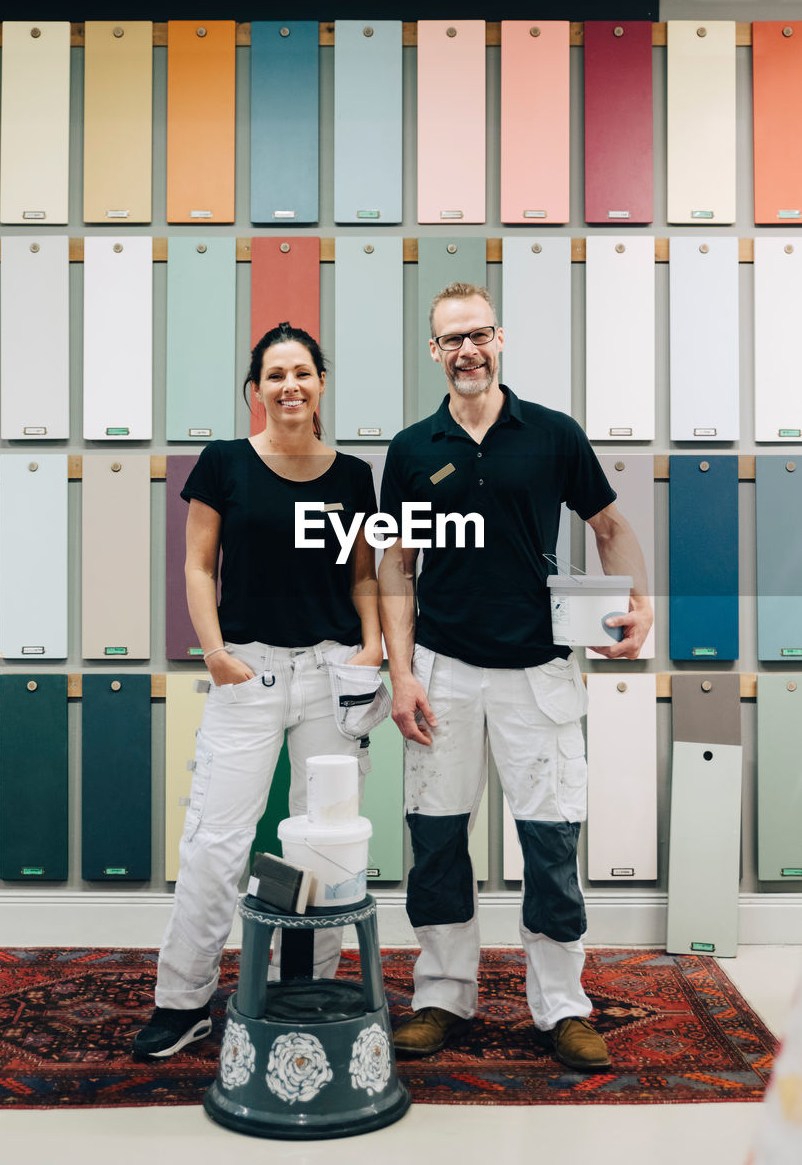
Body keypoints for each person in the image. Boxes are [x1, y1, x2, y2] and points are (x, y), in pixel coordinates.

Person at [378, 282, 653, 1072]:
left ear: (499, 340)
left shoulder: (553, 435)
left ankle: (562, 1007)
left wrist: (639, 609)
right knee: (435, 842)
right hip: (443, 670)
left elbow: (609, 525)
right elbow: (395, 563)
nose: (466, 350)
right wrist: (402, 675)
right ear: (433, 353)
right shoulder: (412, 448)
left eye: (479, 335)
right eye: (450, 340)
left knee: (549, 842)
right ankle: (440, 995)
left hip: (539, 674)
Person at [133, 322, 386, 1060]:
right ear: (256, 390)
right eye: (275, 375)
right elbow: (195, 565)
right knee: (216, 842)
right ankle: (183, 1002)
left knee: (325, 844)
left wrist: (369, 647)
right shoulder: (224, 464)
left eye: (302, 373)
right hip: (246, 673)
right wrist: (212, 652)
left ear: (320, 384)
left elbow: (362, 572)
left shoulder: (351, 475)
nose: (289, 387)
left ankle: (300, 988)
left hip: (330, 676)